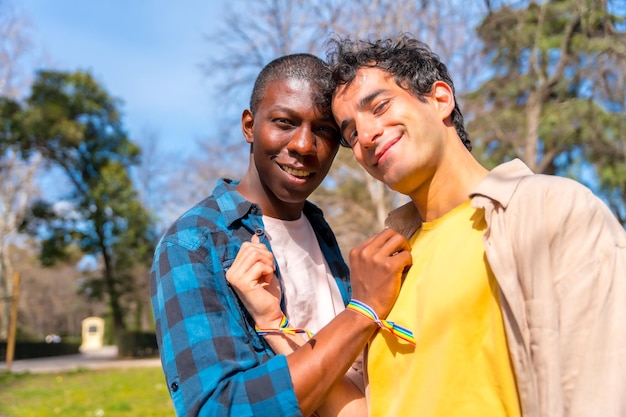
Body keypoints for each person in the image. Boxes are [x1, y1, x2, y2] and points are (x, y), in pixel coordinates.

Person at [327, 34, 626, 417]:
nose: (365, 136)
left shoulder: (550, 209)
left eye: (381, 106)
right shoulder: (385, 267)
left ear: (440, 99)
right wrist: (273, 320)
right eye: (351, 133)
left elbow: (605, 385)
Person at [150, 53, 412, 417]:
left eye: (324, 131)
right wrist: (363, 311)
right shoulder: (193, 243)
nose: (304, 145)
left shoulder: (317, 226)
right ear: (249, 126)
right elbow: (218, 409)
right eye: (284, 122)